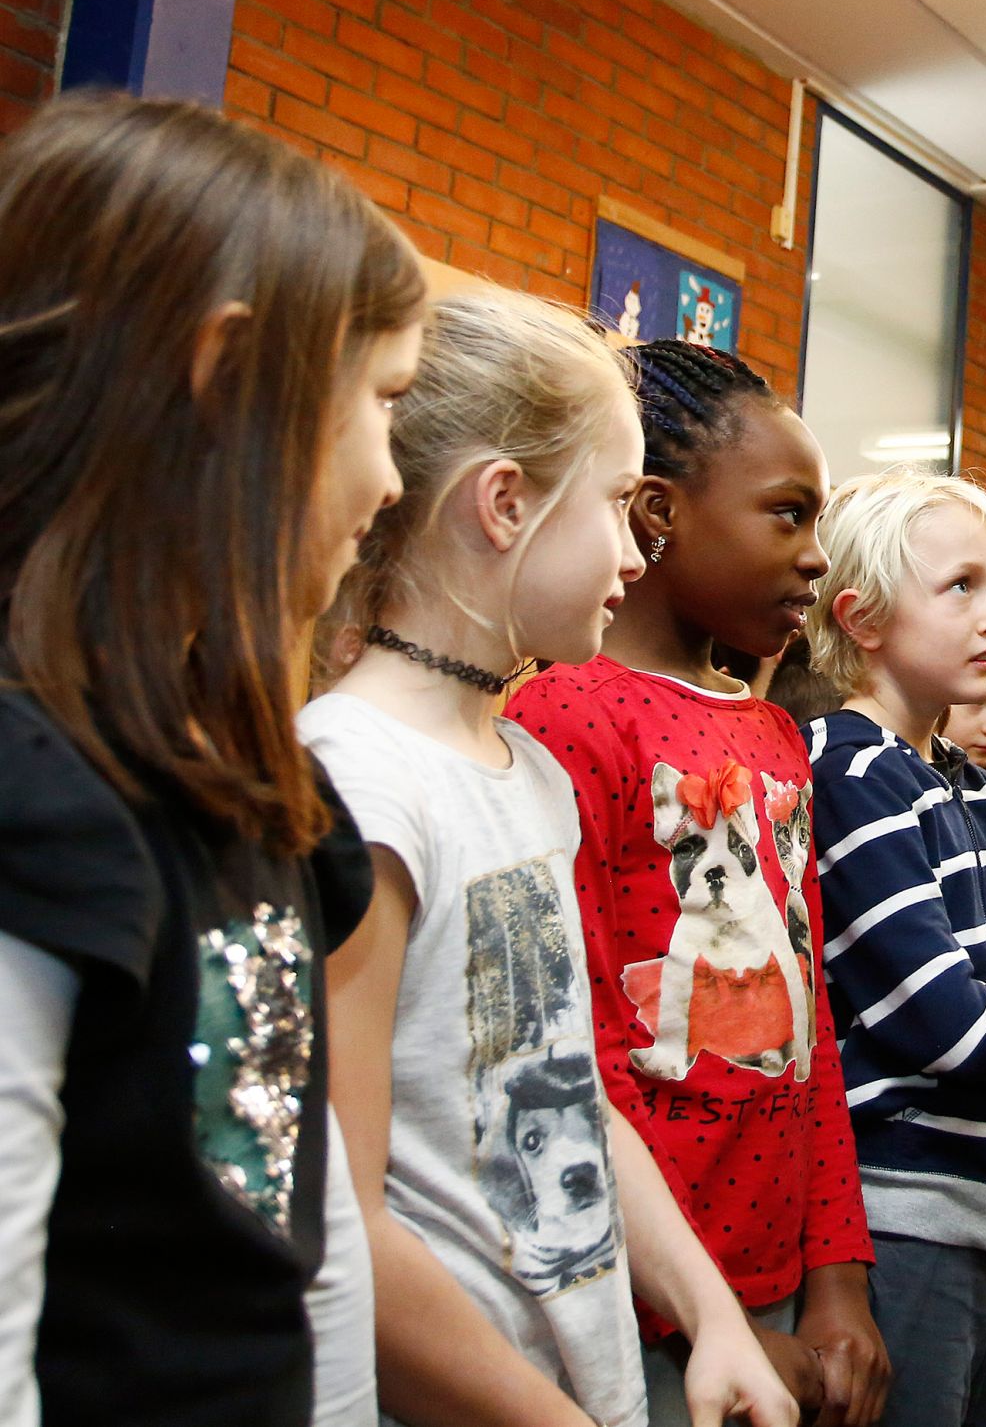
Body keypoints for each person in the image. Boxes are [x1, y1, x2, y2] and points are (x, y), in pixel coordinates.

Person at [0, 92, 426, 1425]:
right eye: (382, 403)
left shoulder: (253, 781)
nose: (393, 476)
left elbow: (304, 1238)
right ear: (233, 378)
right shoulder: (36, 799)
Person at [301, 296, 795, 1427]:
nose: (634, 553)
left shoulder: (525, 769)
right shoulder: (360, 777)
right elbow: (340, 1208)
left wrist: (710, 1311)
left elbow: (566, 1090)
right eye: (619, 507)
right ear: (504, 502)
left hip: (588, 1370)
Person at [505, 339, 886, 1427]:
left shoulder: (772, 731)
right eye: (787, 514)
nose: (816, 556)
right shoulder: (569, 713)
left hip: (777, 1277)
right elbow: (574, 1057)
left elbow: (806, 1027)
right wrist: (699, 1308)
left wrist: (837, 1276)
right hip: (634, 1296)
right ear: (659, 513)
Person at [806, 466, 986, 1427]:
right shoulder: (850, 775)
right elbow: (955, 1030)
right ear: (864, 619)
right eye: (960, 588)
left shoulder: (974, 787)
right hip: (912, 1219)